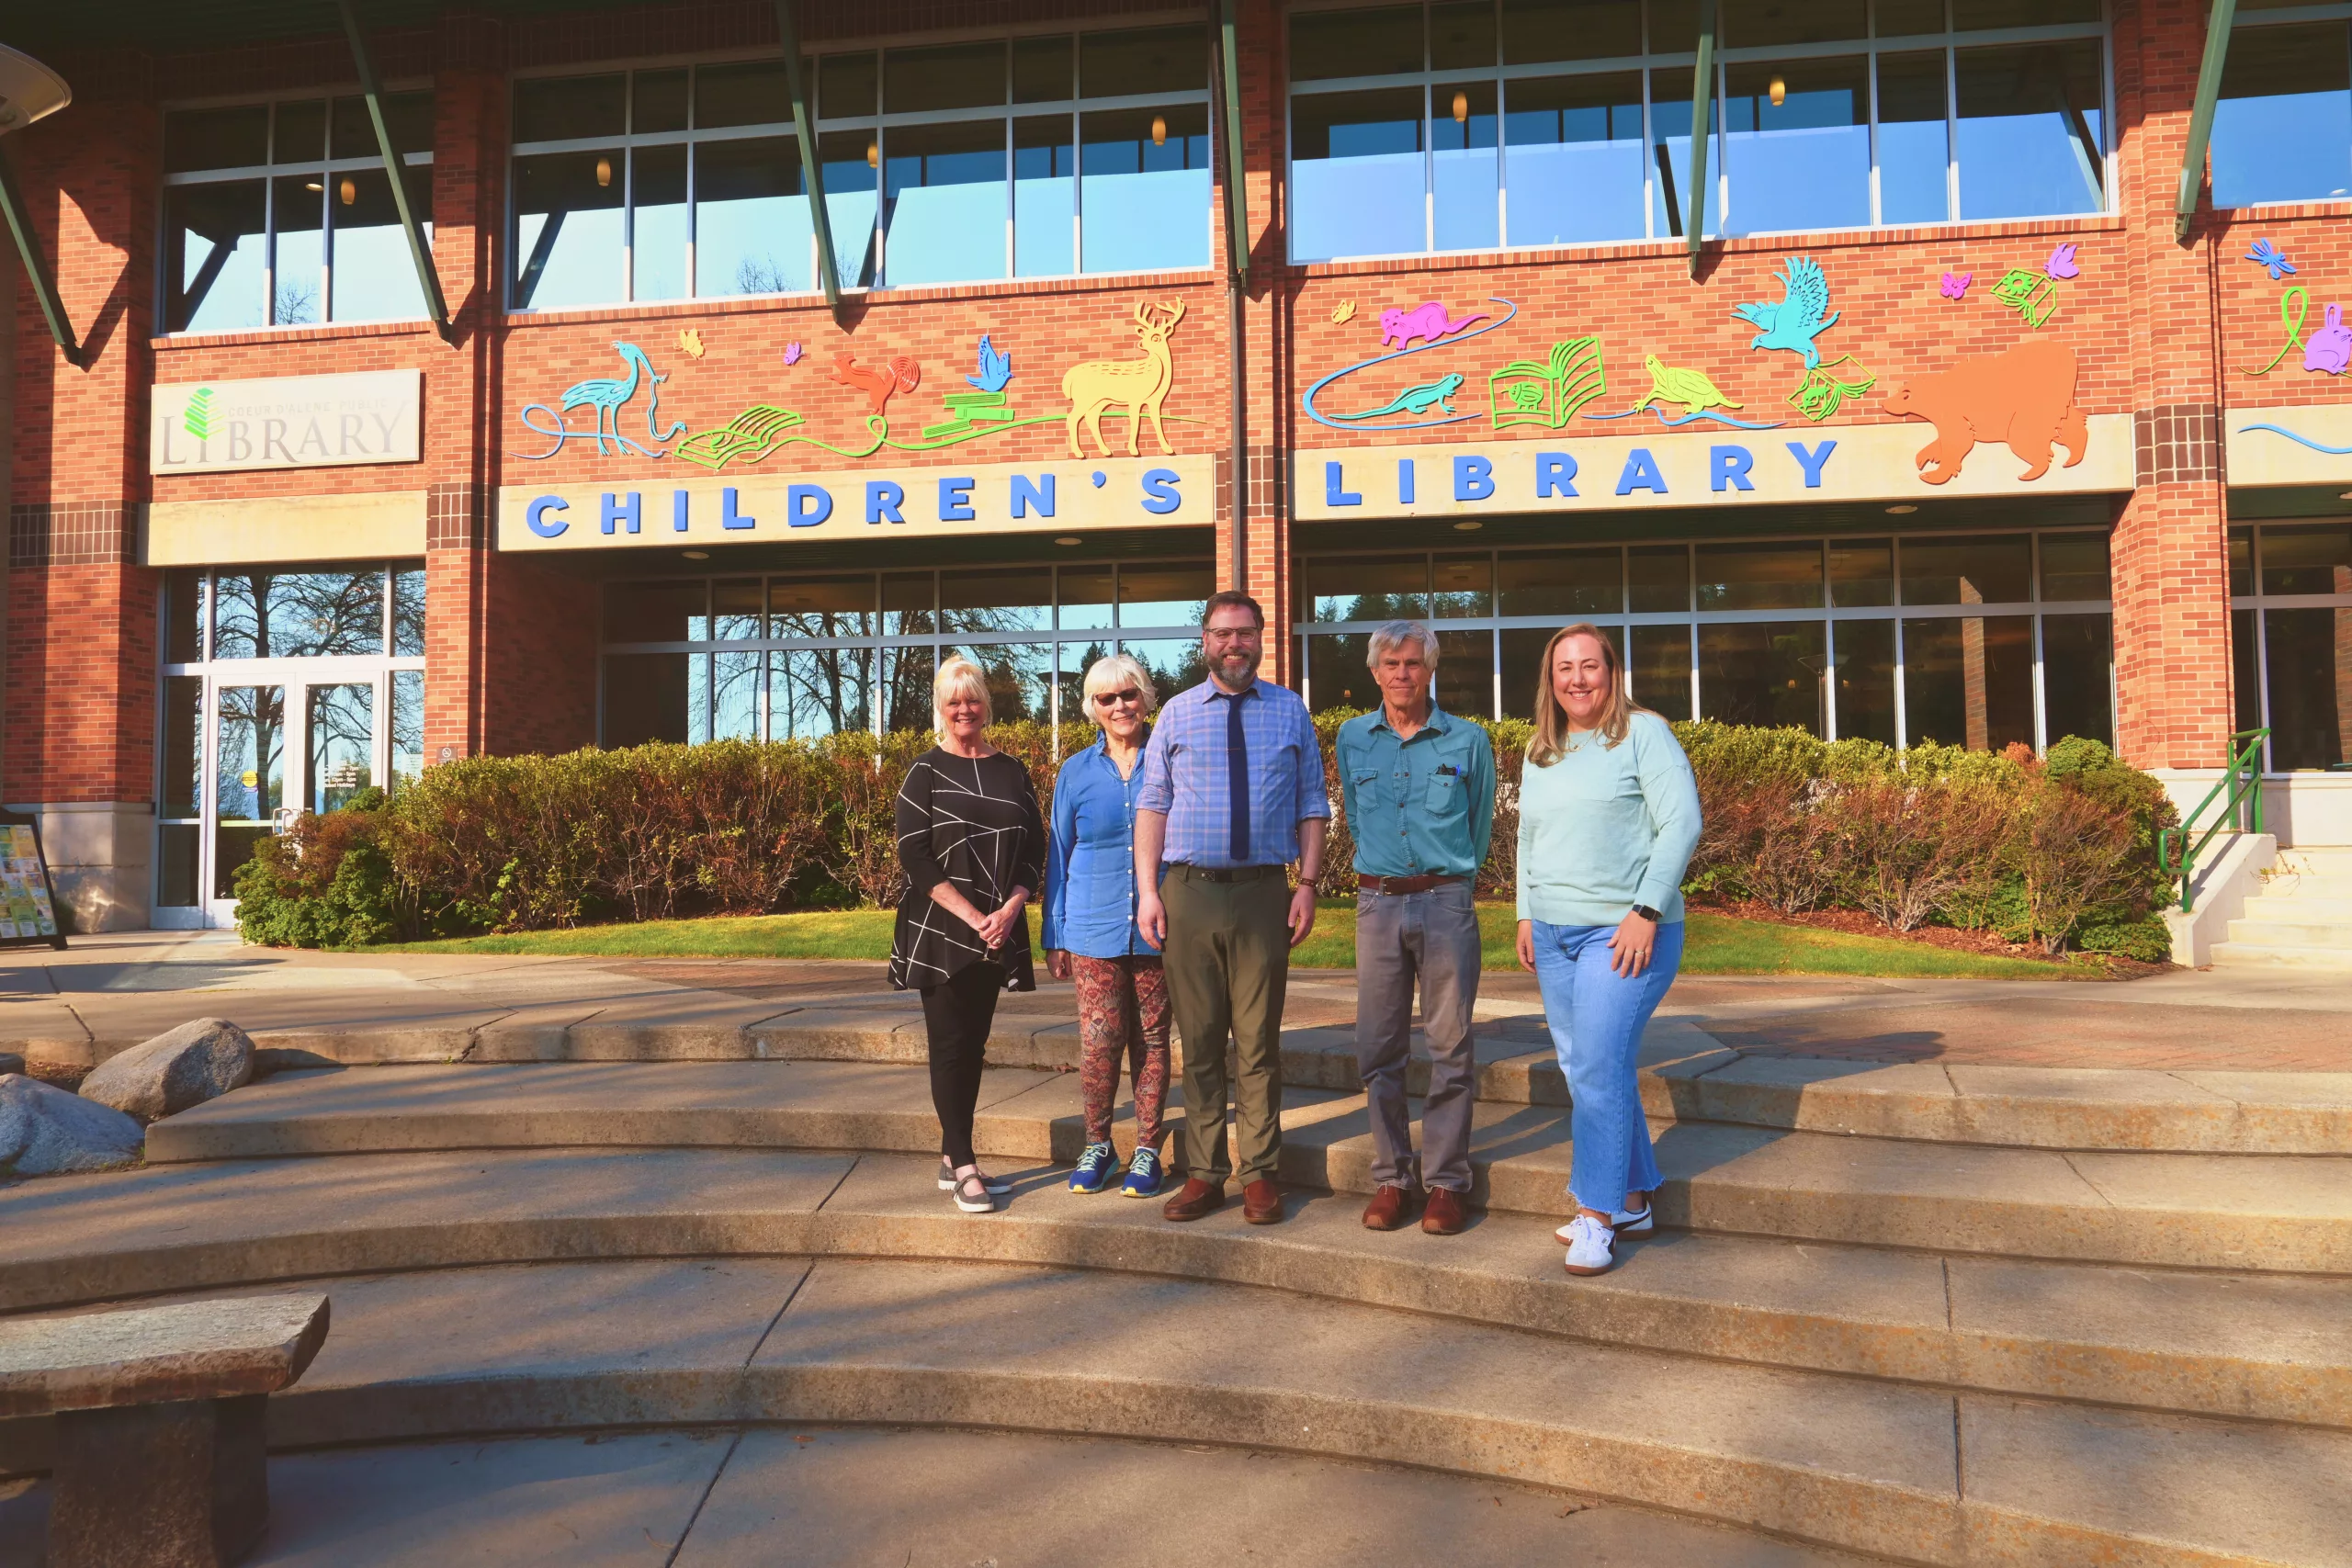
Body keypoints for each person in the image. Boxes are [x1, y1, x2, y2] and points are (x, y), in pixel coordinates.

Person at [1135, 590, 1329, 1225]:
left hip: (1262, 894)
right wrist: (1147, 891)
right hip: (1187, 892)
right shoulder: (1177, 715)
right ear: (1205, 641)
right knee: (1201, 1040)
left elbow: (1311, 802)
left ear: (1261, 637)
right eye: (1222, 633)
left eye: (1245, 633)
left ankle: (1260, 1173)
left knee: (1257, 1040)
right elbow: (1152, 806)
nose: (1234, 644)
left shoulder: (1290, 710)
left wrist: (1307, 883)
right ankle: (1203, 1170)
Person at [1514, 624, 1702, 1276]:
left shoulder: (1643, 733)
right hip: (1555, 933)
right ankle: (1632, 1196)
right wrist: (1525, 912)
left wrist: (1646, 909)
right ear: (1550, 679)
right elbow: (1528, 840)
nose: (1576, 678)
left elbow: (1683, 821)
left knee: (1595, 1065)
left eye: (1589, 665)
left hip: (1622, 932)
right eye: (1564, 667)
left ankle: (1596, 1215)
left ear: (1611, 671)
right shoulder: (1541, 747)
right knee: (1585, 1064)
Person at [1335, 623, 1495, 1235]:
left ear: (1431, 670)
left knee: (1450, 1046)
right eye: (1392, 663)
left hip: (1446, 902)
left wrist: (1448, 880)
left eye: (1413, 662)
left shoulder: (1467, 740)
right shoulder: (1353, 739)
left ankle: (1448, 1182)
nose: (1403, 673)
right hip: (1377, 905)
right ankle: (1392, 1177)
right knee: (1378, 1047)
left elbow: (1477, 828)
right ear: (1375, 672)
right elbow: (1354, 811)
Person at [889, 656, 1046, 1215]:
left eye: (972, 698)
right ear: (941, 707)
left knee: (973, 1047)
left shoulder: (1012, 771)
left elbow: (1034, 850)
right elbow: (915, 856)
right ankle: (965, 1163)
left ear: (986, 703)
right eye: (953, 700)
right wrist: (970, 914)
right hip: (940, 926)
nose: (964, 709)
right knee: (950, 1046)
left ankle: (951, 1154)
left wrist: (1010, 908)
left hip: (997, 929)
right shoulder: (923, 773)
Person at [1041, 652, 1171, 1199]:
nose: (1119, 705)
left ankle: (1146, 1150)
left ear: (1145, 697)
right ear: (1092, 707)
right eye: (1106, 698)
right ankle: (1098, 1145)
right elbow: (1058, 852)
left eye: (1128, 694)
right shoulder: (1075, 771)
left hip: (1158, 926)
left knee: (1153, 1039)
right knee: (1098, 1043)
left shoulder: (1169, 760)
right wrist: (1054, 934)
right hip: (1091, 928)